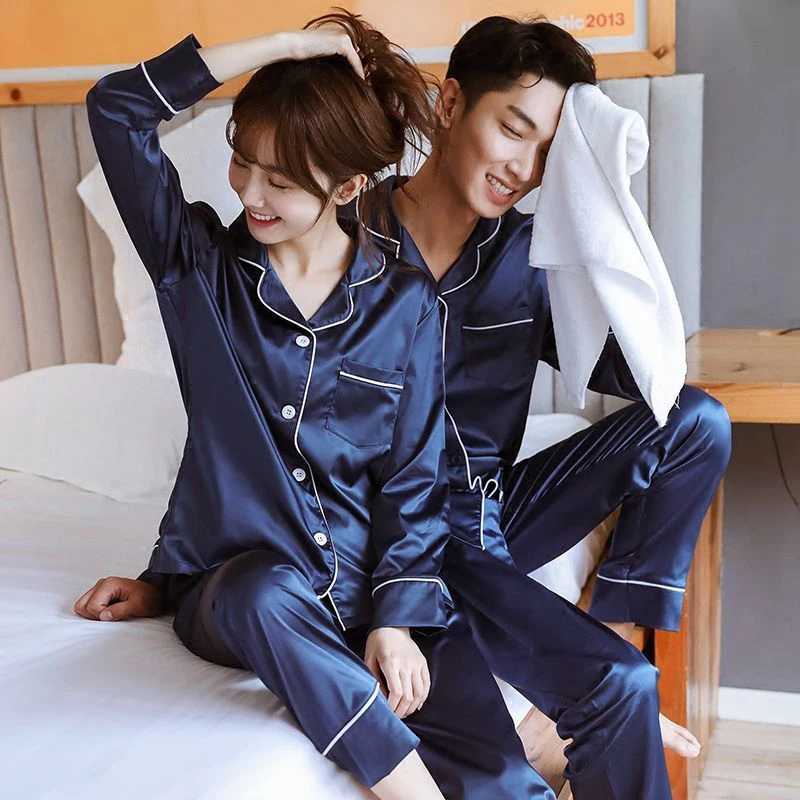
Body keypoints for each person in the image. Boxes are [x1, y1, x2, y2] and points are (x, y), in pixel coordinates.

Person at [72, 13, 552, 800]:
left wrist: (395, 619)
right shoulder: (198, 269)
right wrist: (284, 48)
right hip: (239, 587)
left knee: (503, 775)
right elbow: (116, 107)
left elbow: (413, 479)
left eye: (282, 181)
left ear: (349, 187)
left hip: (364, 589)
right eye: (242, 161)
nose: (249, 192)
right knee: (264, 592)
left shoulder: (406, 306)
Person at [342, 11, 732, 785]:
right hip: (386, 533)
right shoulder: (344, 239)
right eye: (513, 130)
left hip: (489, 513)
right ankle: (593, 688)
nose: (523, 168)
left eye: (549, 153)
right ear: (450, 103)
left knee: (697, 422)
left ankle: (608, 636)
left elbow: (648, 381)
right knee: (606, 695)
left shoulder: (530, 258)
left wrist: (602, 231)